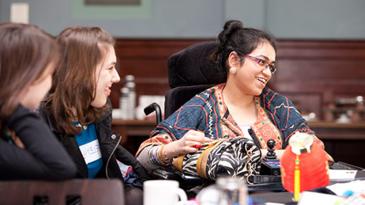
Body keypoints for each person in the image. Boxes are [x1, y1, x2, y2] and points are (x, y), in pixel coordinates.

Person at [136, 20, 329, 178]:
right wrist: (173, 148)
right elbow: (143, 156)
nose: (268, 72)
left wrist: (304, 144)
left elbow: (321, 155)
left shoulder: (278, 105)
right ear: (234, 60)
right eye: (261, 62)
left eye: (271, 66)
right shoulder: (202, 105)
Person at [39, 26, 149, 205]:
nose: (117, 77)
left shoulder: (100, 112)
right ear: (80, 71)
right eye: (110, 68)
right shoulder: (42, 120)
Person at [0, 23, 77, 180]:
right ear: (26, 77)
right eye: (49, 73)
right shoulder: (17, 115)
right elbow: (61, 167)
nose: (51, 82)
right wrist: (16, 107)